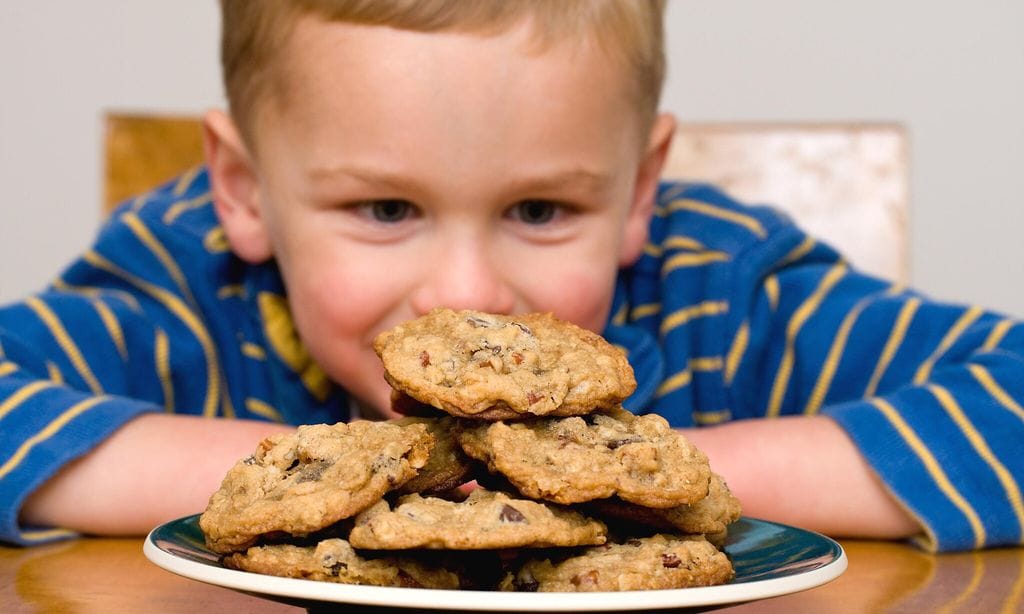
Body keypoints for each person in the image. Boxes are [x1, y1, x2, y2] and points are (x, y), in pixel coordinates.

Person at [1, 0, 1020, 552]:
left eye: (539, 210)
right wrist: (326, 483)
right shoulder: (185, 290)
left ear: (637, 193)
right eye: (386, 210)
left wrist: (655, 486)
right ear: (244, 191)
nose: (467, 294)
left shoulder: (726, 292)